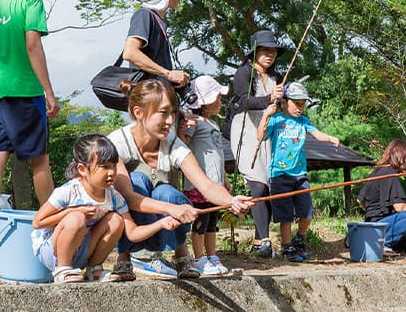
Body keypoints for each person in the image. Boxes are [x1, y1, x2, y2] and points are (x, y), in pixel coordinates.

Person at [108, 78, 252, 279]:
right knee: (137, 180)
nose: (169, 121)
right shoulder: (117, 142)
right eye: (163, 113)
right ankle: (124, 259)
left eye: (173, 113)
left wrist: (231, 200)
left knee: (167, 192)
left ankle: (181, 256)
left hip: (163, 222)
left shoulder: (173, 144)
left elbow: (206, 185)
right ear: (138, 113)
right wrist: (172, 209)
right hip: (131, 222)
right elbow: (129, 197)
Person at [31, 135, 181, 283]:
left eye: (114, 166)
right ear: (83, 169)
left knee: (116, 220)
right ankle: (62, 269)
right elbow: (38, 222)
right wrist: (71, 211)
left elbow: (133, 233)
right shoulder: (69, 191)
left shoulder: (114, 197)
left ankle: (95, 269)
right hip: (53, 252)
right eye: (104, 167)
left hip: (83, 252)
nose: (112, 172)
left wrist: (161, 223)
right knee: (76, 218)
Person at [0, 0, 61, 240]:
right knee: (40, 160)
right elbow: (32, 45)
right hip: (24, 92)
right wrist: (48, 91)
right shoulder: (30, 1)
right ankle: (52, 226)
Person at [257, 82, 339, 262]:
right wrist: (266, 116)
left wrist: (330, 138)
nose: (300, 108)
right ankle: (287, 248)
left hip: (299, 174)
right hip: (279, 175)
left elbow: (317, 134)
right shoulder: (277, 120)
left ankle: (299, 239)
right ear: (285, 102)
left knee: (306, 212)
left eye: (303, 104)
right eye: (297, 103)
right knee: (285, 215)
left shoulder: (303, 121)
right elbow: (260, 136)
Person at [230, 30, 286, 257]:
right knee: (258, 184)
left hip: (269, 132)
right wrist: (269, 99)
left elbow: (280, 104)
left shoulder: (276, 77)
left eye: (272, 51)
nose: (269, 55)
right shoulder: (244, 73)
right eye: (264, 50)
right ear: (254, 53)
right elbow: (244, 101)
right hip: (246, 129)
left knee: (269, 184)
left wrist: (281, 102)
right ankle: (265, 241)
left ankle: (257, 240)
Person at [178, 76, 230, 275]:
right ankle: (199, 257)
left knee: (212, 223)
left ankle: (212, 255)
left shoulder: (212, 124)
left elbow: (218, 155)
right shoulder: (194, 122)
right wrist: (183, 129)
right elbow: (183, 144)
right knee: (201, 221)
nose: (220, 101)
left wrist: (224, 180)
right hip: (200, 184)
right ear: (206, 102)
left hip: (216, 185)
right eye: (218, 97)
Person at [123, 0, 190, 90]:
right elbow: (130, 53)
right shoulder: (144, 14)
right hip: (149, 99)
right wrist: (168, 74)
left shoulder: (157, 20)